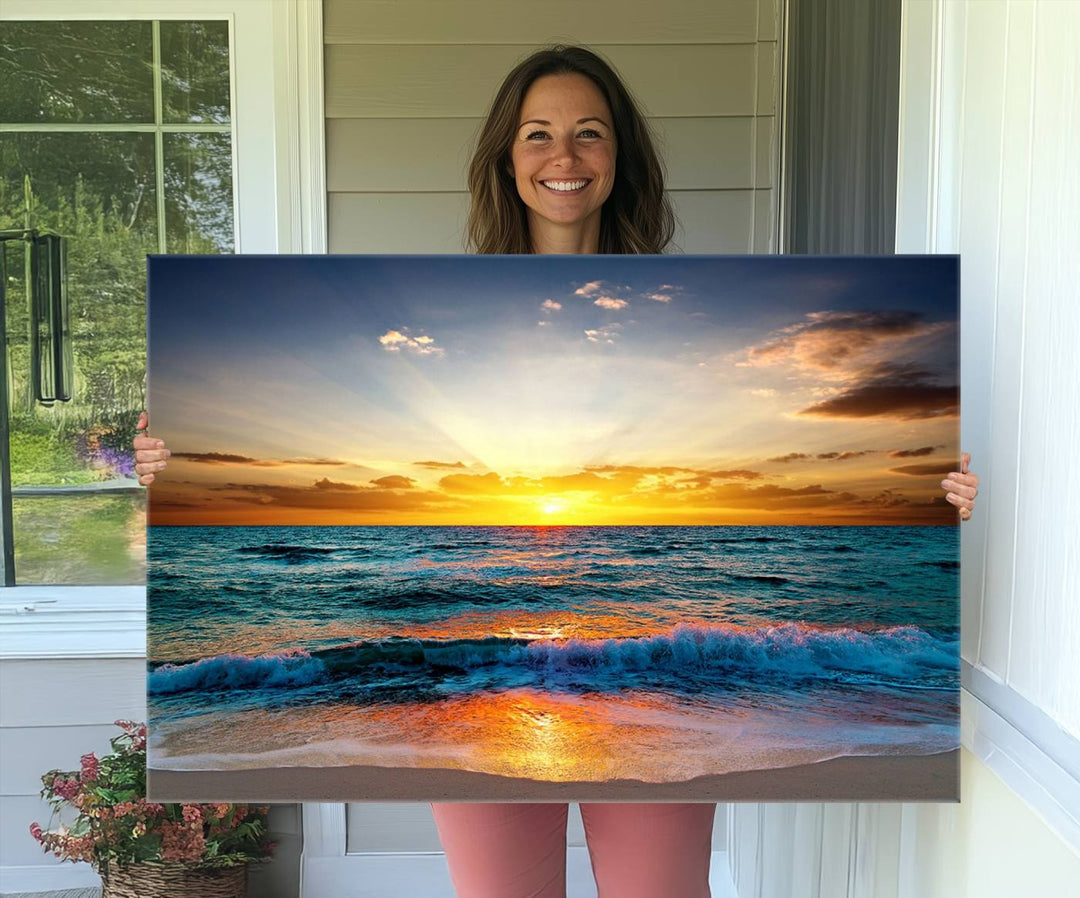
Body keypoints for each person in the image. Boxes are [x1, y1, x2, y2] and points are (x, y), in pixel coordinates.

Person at [133, 45, 980, 898]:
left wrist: (931, 492)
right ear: (507, 157)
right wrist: (171, 463)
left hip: (660, 695)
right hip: (470, 682)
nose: (564, 157)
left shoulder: (681, 310)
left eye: (589, 134)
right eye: (538, 134)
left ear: (620, 158)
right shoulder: (439, 313)